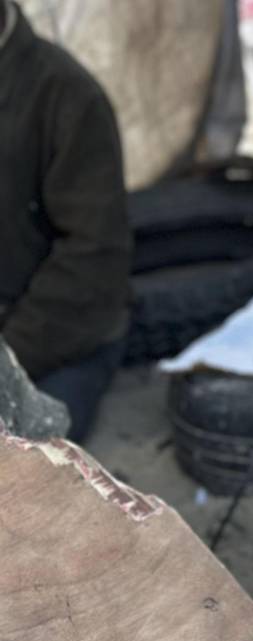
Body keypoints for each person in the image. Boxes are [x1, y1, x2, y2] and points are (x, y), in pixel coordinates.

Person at [0, 0, 132, 442]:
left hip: (52, 340)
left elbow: (93, 263)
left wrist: (8, 360)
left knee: (27, 474)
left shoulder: (67, 97)